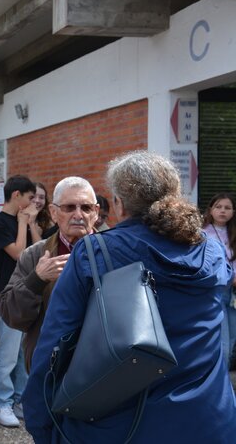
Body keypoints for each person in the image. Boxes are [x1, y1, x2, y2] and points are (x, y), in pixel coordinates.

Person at [24, 151, 236, 443]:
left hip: (120, 424)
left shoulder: (94, 252)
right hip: (208, 419)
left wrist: (40, 422)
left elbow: (54, 345)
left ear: (120, 204)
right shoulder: (212, 251)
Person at [0, 177, 98, 371]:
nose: (78, 215)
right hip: (49, 365)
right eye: (69, 207)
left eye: (86, 208)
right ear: (53, 212)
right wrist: (36, 280)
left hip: (99, 365)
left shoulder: (112, 252)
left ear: (96, 212)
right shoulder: (35, 255)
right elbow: (10, 314)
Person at [0, 174, 38, 427]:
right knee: (6, 353)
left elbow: (40, 251)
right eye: (30, 198)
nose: (33, 203)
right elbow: (19, 253)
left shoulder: (24, 220)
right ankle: (1, 403)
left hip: (27, 293)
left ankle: (20, 400)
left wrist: (30, 224)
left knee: (23, 353)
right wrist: (22, 222)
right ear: (16, 195)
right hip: (7, 296)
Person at [203, 192, 236, 367]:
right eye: (218, 207)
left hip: (233, 293)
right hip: (214, 290)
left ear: (233, 212)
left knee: (232, 336)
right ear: (211, 210)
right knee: (222, 338)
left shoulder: (234, 233)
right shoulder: (202, 233)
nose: (223, 211)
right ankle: (221, 376)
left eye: (227, 208)